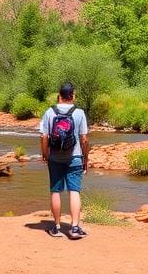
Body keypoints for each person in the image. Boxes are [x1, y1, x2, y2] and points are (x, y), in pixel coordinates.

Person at [39, 81, 90, 240]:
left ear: (59, 96)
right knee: (74, 191)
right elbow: (84, 139)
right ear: (73, 96)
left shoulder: (49, 112)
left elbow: (44, 136)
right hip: (74, 157)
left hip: (54, 157)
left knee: (56, 191)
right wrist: (85, 158)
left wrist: (45, 154)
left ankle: (56, 227)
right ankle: (74, 227)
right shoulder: (79, 113)